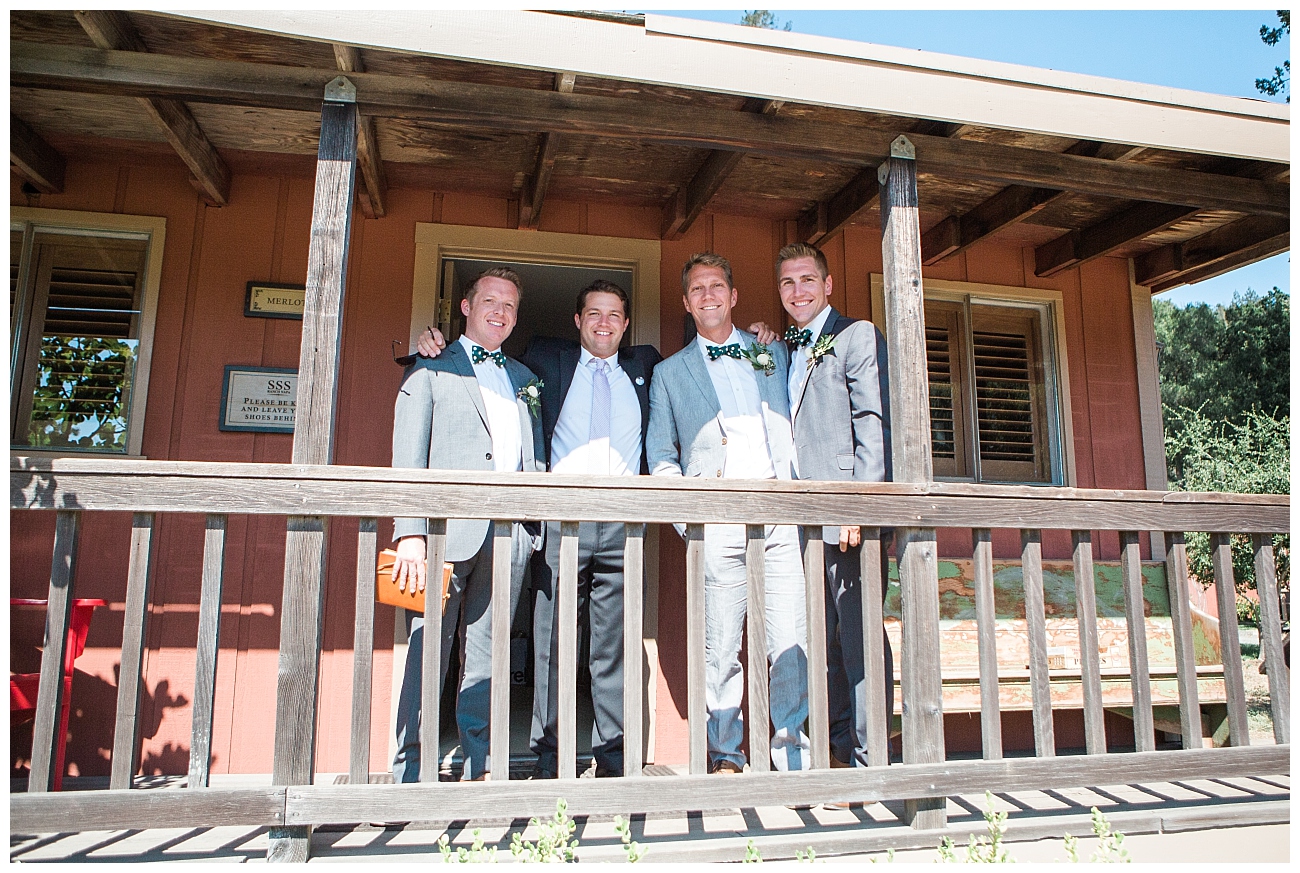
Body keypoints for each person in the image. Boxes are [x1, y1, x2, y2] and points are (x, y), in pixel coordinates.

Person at [645, 252, 810, 774]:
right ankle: (725, 755)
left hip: (779, 515)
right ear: (686, 302)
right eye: (697, 289)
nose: (708, 295)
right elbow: (662, 458)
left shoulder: (773, 352)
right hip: (716, 521)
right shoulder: (669, 373)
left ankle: (791, 755)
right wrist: (692, 521)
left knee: (790, 641)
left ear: (734, 296)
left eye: (717, 286)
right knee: (720, 646)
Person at [389, 267, 544, 782]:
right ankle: (410, 770)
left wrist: (531, 530)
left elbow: (533, 458)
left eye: (509, 305)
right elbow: (408, 456)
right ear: (466, 307)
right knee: (426, 650)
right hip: (439, 537)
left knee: (488, 655)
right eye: (490, 301)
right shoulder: (430, 366)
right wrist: (410, 533)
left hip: (508, 537)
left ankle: (480, 765)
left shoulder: (525, 379)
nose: (500, 312)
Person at [776, 242, 893, 775]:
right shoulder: (789, 347)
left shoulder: (856, 335)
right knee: (824, 643)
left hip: (849, 520)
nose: (797, 291)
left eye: (807, 280)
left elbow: (873, 422)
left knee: (860, 640)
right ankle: (842, 751)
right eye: (787, 282)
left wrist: (858, 507)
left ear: (827, 285)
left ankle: (873, 761)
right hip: (804, 524)